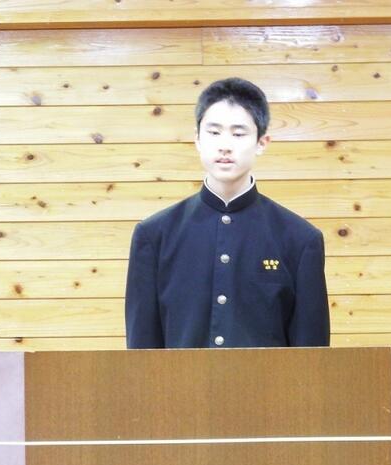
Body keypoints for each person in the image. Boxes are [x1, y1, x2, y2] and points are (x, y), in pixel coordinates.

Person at [125, 77, 330, 349]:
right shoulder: (155, 235)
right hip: (179, 380)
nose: (225, 145)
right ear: (197, 139)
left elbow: (312, 356)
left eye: (238, 133)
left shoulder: (299, 239)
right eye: (214, 132)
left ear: (262, 142)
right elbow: (141, 350)